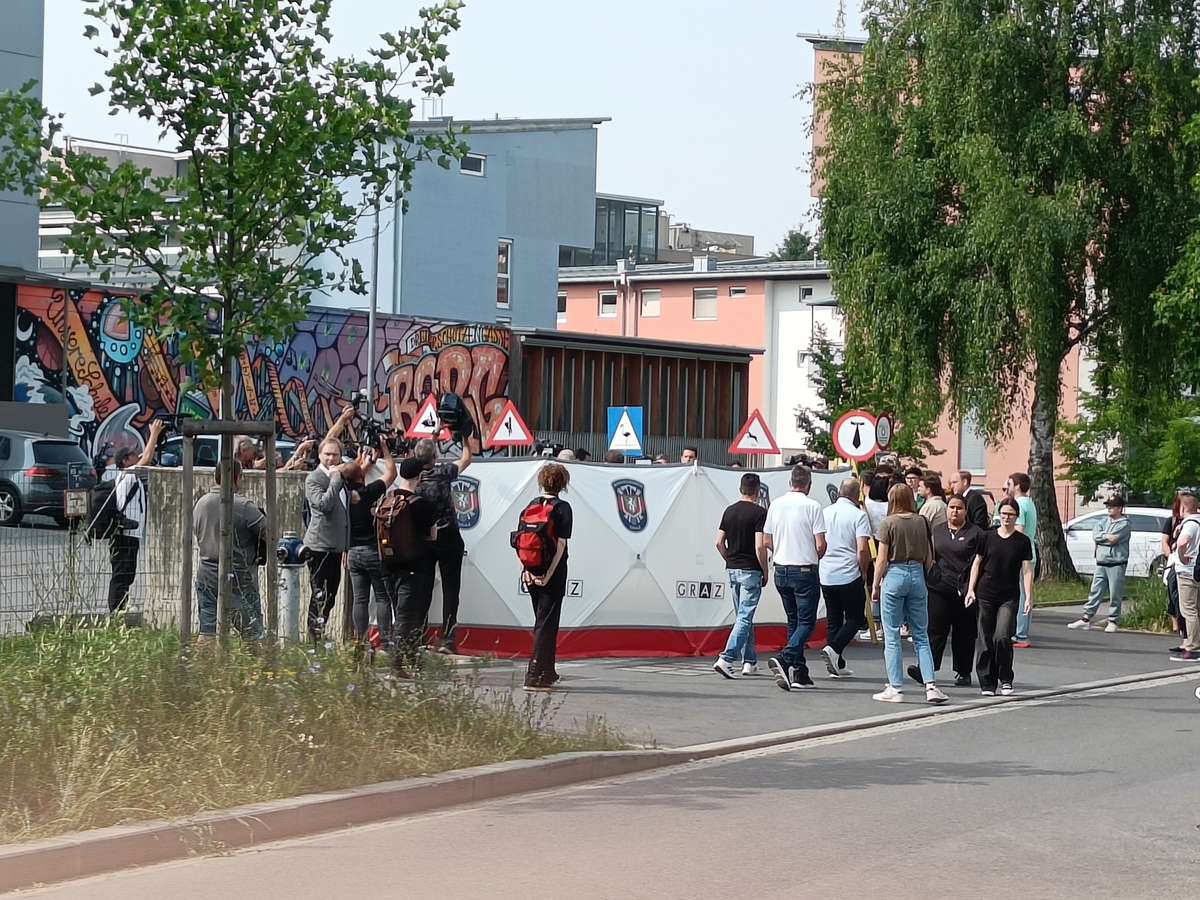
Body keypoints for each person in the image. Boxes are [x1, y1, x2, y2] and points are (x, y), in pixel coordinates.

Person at [870, 484, 947, 704]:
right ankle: (931, 685)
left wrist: (876, 584)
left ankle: (895, 687)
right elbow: (930, 556)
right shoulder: (922, 521)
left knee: (892, 634)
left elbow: (882, 558)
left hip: (894, 574)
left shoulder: (888, 523)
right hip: (917, 574)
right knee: (921, 634)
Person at [764, 465, 827, 692]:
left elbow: (766, 541)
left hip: (781, 568)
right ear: (808, 485)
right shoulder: (812, 506)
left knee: (793, 621)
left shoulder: (776, 505)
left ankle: (800, 671)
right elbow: (820, 544)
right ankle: (786, 658)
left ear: (790, 482)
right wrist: (813, 555)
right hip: (804, 569)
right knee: (807, 622)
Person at [966, 497, 1034, 695]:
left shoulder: (1022, 541)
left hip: (1009, 595)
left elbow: (1027, 570)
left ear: (1016, 517)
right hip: (985, 593)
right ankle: (987, 682)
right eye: (1003, 514)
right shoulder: (987, 537)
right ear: (998, 515)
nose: (1006, 518)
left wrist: (1029, 597)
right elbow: (977, 563)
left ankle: (1005, 678)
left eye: (1010, 515)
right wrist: (971, 589)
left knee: (1002, 636)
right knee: (984, 638)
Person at [192, 458, 266, 640]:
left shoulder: (201, 503)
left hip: (206, 575)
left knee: (207, 630)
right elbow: (270, 534)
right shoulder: (244, 506)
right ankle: (260, 666)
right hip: (239, 579)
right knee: (253, 633)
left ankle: (202, 666)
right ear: (237, 478)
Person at [913, 494, 982, 688]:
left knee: (964, 632)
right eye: (952, 507)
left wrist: (973, 587)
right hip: (938, 587)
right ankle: (926, 669)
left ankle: (963, 671)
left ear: (966, 511)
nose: (955, 511)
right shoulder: (938, 531)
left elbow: (979, 560)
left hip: (964, 589)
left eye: (959, 508)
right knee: (935, 630)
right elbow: (930, 555)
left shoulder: (975, 533)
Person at [413, 431, 472, 653]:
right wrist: (467, 436)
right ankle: (448, 640)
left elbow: (420, 456)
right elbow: (467, 458)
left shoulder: (413, 477)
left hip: (423, 538)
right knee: (451, 589)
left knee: (422, 589)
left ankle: (419, 637)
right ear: (435, 457)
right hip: (448, 535)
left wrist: (432, 438)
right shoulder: (443, 472)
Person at [520, 463, 573, 691]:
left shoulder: (531, 506)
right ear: (563, 485)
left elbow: (520, 541)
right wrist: (549, 574)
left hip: (532, 571)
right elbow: (561, 544)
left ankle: (548, 672)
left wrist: (528, 572)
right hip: (553, 572)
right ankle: (533, 676)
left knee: (544, 622)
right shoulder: (563, 508)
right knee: (546, 624)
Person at [712, 473, 769, 678]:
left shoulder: (729, 511)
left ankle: (749, 661)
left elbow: (719, 542)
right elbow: (760, 546)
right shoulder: (759, 513)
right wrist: (764, 569)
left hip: (733, 568)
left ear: (740, 489)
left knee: (743, 617)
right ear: (758, 490)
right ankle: (726, 658)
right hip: (750, 569)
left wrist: (729, 558)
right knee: (745, 617)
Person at [107, 419, 165, 612]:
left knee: (127, 574)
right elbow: (146, 459)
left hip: (131, 534)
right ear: (125, 461)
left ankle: (121, 606)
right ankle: (115, 610)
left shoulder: (132, 476)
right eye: (132, 454)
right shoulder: (127, 475)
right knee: (121, 574)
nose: (136, 455)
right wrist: (154, 434)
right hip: (124, 534)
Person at [818, 477, 871, 679]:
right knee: (856, 618)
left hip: (827, 573)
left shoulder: (824, 512)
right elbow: (863, 549)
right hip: (849, 572)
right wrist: (864, 570)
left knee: (833, 619)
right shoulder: (858, 515)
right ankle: (834, 649)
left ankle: (837, 664)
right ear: (856, 494)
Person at [344, 441, 397, 644]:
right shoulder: (368, 493)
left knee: (360, 599)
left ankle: (362, 642)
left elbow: (352, 474)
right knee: (382, 597)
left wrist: (364, 461)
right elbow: (391, 473)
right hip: (373, 551)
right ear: (361, 476)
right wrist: (385, 448)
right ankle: (385, 642)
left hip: (353, 553)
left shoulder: (343, 495)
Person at [390, 456, 441, 661]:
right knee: (410, 615)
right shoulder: (420, 504)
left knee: (400, 611)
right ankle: (397, 661)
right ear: (419, 476)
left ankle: (411, 658)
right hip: (416, 567)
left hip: (389, 566)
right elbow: (433, 535)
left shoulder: (388, 500)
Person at [302, 437, 352, 640]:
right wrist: (335, 480)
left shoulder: (340, 477)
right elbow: (324, 505)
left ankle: (321, 633)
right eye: (327, 454)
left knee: (331, 594)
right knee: (319, 594)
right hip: (319, 545)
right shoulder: (315, 478)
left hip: (337, 546)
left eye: (335, 454)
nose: (331, 458)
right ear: (320, 455)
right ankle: (314, 637)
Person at [1067, 495, 1131, 633]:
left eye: (1112, 506)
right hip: (1101, 562)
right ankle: (1086, 619)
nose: (1109, 508)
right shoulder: (1102, 521)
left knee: (1115, 593)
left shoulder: (1124, 524)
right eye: (1108, 505)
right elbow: (1096, 535)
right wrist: (1105, 536)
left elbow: (1114, 539)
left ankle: (1113, 620)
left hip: (1117, 563)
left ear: (1120, 508)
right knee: (1095, 592)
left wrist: (1103, 537)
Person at [1006, 472, 1038, 647]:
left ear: (1017, 485)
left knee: (1020, 594)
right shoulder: (1030, 503)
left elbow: (1018, 529)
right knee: (1026, 594)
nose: (1008, 487)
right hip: (1030, 551)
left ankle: (1020, 634)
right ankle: (1022, 631)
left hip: (1020, 555)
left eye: (1010, 483)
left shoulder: (1018, 504)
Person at [1169, 493, 1200, 662]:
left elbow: (1182, 543)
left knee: (1188, 610)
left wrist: (1181, 555)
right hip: (1197, 571)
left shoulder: (1189, 524)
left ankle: (1193, 648)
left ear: (1183, 508)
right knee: (1197, 609)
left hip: (1187, 571)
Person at [1163, 492, 1188, 644]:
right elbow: (1164, 541)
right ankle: (1176, 626)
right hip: (1174, 561)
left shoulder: (1191, 522)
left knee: (1183, 597)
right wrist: (1170, 556)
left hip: (1184, 563)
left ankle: (1185, 632)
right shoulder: (1172, 521)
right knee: (1173, 594)